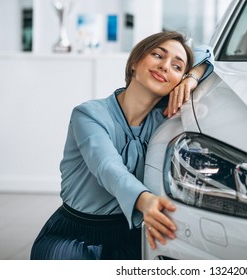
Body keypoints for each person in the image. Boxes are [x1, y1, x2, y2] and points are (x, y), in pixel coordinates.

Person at [30, 31, 214, 260]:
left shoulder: (163, 120)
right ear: (135, 62)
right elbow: (107, 166)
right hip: (75, 236)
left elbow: (207, 53)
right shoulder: (89, 114)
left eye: (177, 67)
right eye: (157, 55)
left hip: (130, 234)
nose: (166, 66)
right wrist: (145, 200)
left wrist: (192, 77)